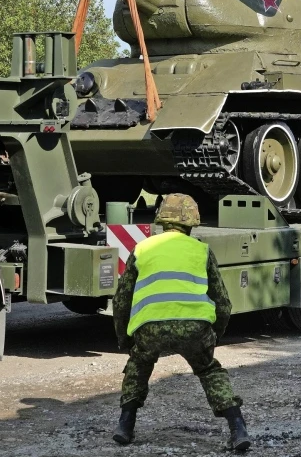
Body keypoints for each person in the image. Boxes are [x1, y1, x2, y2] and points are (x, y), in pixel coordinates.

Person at [111, 193, 250, 451]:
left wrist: (124, 338)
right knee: (208, 369)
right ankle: (238, 428)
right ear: (192, 221)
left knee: (139, 363)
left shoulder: (142, 248)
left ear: (161, 218)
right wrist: (213, 337)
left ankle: (125, 426)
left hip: (150, 327)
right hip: (195, 328)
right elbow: (223, 303)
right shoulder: (201, 250)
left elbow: (121, 300)